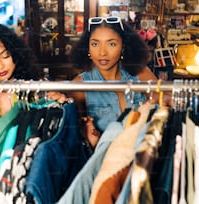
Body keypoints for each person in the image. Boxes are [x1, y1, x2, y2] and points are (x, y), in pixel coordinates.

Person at [68, 16, 159, 148]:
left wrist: (150, 106)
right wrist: (89, 138)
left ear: (123, 47)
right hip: (104, 163)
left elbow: (165, 100)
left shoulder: (140, 74)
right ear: (87, 47)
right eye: (95, 44)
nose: (102, 52)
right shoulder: (80, 86)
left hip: (141, 159)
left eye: (111, 44)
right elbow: (73, 137)